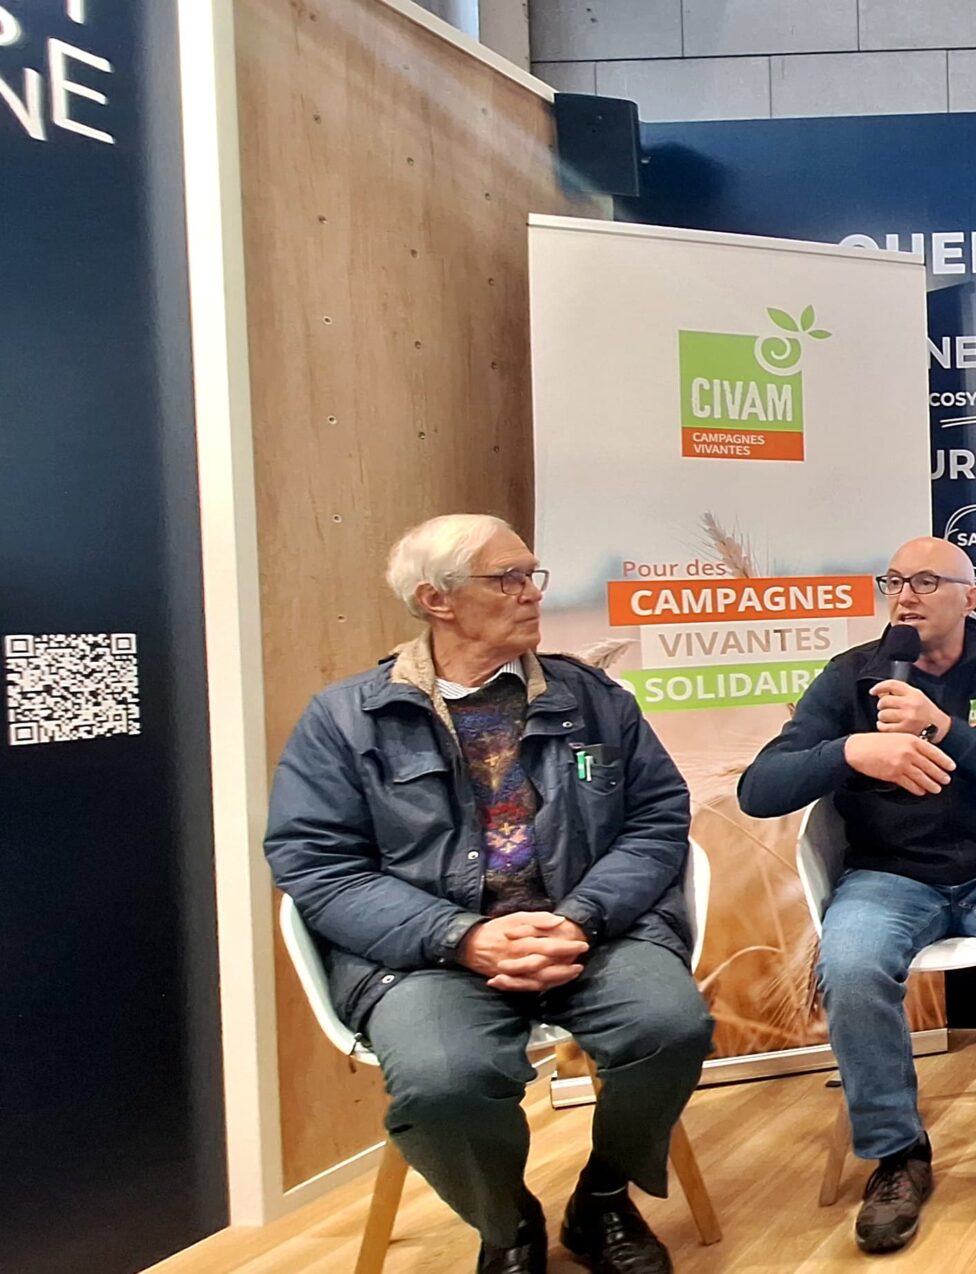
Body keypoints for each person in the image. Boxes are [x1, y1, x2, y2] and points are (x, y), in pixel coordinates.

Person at [265, 514, 712, 1274]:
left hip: (592, 935)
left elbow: (658, 819)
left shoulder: (593, 698)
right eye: (507, 578)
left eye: (532, 574)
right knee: (443, 1083)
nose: (532, 593)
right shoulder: (345, 719)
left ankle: (602, 1199)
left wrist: (581, 918)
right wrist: (460, 936)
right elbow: (316, 864)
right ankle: (507, 1225)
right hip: (426, 957)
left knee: (671, 1026)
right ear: (436, 600)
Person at [736, 536, 976, 1256]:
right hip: (889, 873)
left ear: (971, 598)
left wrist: (944, 729)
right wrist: (851, 751)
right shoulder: (853, 675)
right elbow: (758, 789)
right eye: (894, 581)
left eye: (927, 581)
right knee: (851, 967)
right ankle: (897, 1154)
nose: (905, 596)